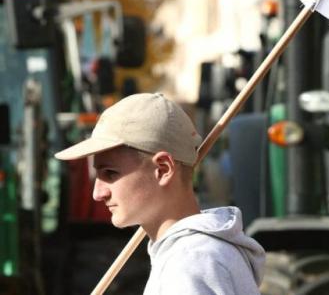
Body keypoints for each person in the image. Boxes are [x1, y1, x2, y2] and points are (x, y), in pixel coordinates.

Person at [55, 92, 265, 294]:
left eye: (110, 173)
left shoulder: (189, 264)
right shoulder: (201, 254)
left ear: (163, 169)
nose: (97, 193)